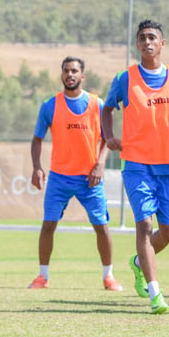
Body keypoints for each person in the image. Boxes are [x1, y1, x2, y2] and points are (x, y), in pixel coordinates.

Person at [102, 20, 169, 314]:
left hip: (166, 164)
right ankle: (156, 294)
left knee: (168, 229)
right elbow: (107, 108)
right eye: (142, 38)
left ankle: (138, 262)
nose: (147, 42)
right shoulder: (125, 78)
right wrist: (109, 136)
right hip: (135, 164)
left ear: (162, 43)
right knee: (144, 224)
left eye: (152, 37)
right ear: (137, 44)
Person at [28, 56, 122, 291]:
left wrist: (100, 164)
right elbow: (37, 139)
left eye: (74, 71)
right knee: (48, 225)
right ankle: (42, 277)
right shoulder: (50, 105)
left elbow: (107, 139)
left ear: (83, 76)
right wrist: (37, 167)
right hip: (59, 178)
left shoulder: (97, 104)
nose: (70, 75)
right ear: (62, 75)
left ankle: (109, 277)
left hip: (90, 178)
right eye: (66, 71)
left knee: (101, 226)